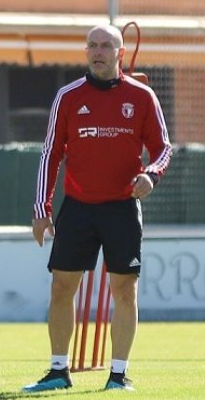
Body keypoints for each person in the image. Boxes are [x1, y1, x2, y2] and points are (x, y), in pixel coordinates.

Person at [23, 24, 171, 393]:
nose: (98, 51)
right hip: (78, 207)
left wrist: (151, 175)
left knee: (125, 290)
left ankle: (118, 375)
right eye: (92, 45)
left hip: (122, 208)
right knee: (61, 287)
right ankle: (58, 371)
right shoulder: (68, 96)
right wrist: (41, 207)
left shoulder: (142, 96)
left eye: (106, 45)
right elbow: (50, 153)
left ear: (120, 53)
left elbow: (163, 148)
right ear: (86, 51)